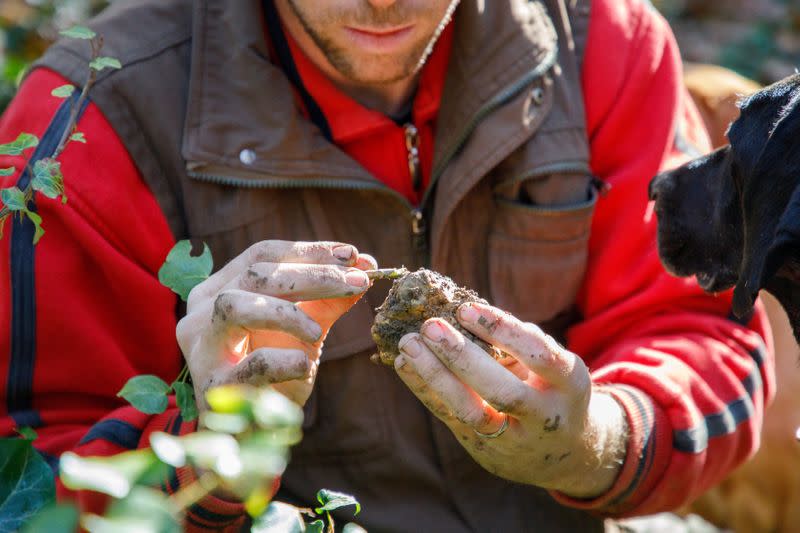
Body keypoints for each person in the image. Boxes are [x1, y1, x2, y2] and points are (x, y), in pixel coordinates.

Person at [0, 0, 774, 531]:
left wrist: (596, 439)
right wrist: (206, 449)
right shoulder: (88, 121)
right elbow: (29, 485)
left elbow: (704, 333)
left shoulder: (602, 42)